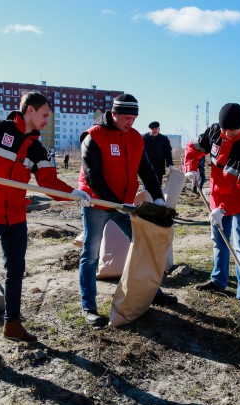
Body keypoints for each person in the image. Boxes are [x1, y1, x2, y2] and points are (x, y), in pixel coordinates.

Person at [0, 92, 91, 365]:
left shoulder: (37, 149)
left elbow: (49, 183)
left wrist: (74, 193)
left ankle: (12, 325)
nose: (47, 121)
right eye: (45, 115)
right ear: (31, 110)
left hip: (16, 219)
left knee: (16, 271)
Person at [77, 93, 176, 328]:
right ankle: (89, 307)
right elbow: (93, 177)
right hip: (97, 205)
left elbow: (146, 170)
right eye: (126, 117)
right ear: (114, 114)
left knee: (143, 244)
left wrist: (159, 198)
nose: (130, 122)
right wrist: (114, 202)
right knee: (90, 254)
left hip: (124, 204)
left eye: (134, 118)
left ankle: (153, 292)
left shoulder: (135, 139)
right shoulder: (93, 137)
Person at [183, 103, 240, 308]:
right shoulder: (214, 132)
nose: (227, 134)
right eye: (224, 129)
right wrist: (191, 168)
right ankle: (218, 280)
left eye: (232, 130)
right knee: (219, 242)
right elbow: (192, 148)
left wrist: (224, 209)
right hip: (217, 197)